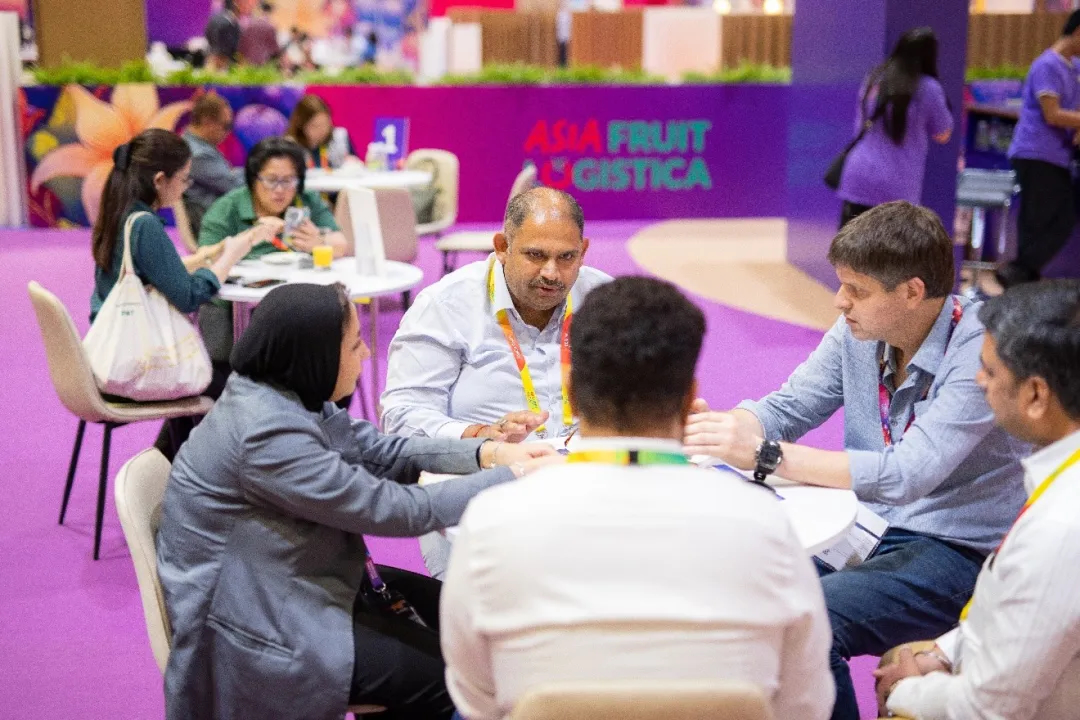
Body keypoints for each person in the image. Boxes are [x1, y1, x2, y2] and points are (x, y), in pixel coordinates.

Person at [683, 201, 1028, 720]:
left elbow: (908, 474)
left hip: (957, 547)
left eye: (857, 290)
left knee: (809, 623)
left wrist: (765, 454)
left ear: (912, 292)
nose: (840, 301)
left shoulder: (979, 346)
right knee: (735, 585)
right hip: (867, 523)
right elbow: (790, 406)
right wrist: (721, 428)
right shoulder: (859, 329)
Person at [157, 282, 559, 720]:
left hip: (294, 577)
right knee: (464, 682)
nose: (367, 353)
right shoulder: (265, 434)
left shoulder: (281, 393)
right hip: (263, 622)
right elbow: (395, 510)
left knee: (469, 613)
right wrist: (512, 476)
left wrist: (489, 452)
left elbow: (383, 451)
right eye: (354, 344)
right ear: (316, 356)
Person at [440, 276, 835, 720]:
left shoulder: (492, 522)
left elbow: (476, 699)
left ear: (570, 391)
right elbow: (806, 705)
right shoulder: (764, 524)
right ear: (689, 397)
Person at [876, 280, 1080, 720]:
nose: (978, 380)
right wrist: (944, 653)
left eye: (990, 371)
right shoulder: (1062, 473)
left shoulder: (1060, 529)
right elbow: (1025, 619)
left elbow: (987, 708)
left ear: (1036, 395)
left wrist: (908, 691)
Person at [381, 187, 610, 579]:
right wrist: (481, 436)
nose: (552, 273)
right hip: (479, 496)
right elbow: (401, 419)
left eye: (566, 257)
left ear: (583, 251)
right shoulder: (446, 305)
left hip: (585, 491)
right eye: (535, 255)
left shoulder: (603, 299)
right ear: (502, 247)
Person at [89, 129, 254, 458]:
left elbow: (147, 271)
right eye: (184, 179)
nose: (185, 188)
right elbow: (190, 296)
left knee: (213, 378)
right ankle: (182, 468)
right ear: (160, 180)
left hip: (108, 357)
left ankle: (168, 464)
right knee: (236, 384)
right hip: (138, 364)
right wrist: (230, 257)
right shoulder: (145, 224)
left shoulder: (119, 214)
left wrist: (205, 257)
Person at [197, 137, 349, 365]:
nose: (280, 190)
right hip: (235, 307)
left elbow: (340, 244)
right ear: (253, 178)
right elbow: (203, 260)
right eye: (271, 180)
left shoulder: (304, 201)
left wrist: (319, 241)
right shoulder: (228, 208)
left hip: (295, 303)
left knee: (334, 355)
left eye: (288, 180)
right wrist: (248, 239)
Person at [836, 27, 953, 228]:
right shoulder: (928, 88)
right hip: (897, 182)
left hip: (858, 174)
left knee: (852, 243)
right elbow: (943, 134)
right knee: (892, 244)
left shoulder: (875, 77)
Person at [998, 11, 1080, 289]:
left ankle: (1020, 277)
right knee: (1041, 221)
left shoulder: (1073, 67)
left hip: (1057, 155)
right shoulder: (1047, 65)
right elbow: (1052, 114)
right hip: (1036, 153)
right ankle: (1017, 275)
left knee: (1056, 220)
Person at [181, 92, 243, 236]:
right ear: (207, 122)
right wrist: (259, 173)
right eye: (226, 125)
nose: (228, 132)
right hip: (213, 227)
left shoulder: (194, 145)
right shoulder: (198, 155)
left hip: (216, 220)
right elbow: (233, 185)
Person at [285, 94, 358, 170]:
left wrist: (354, 164)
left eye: (325, 124)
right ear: (301, 125)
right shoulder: (290, 146)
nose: (322, 130)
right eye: (315, 126)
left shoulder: (340, 137)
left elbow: (356, 166)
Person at [204, 0, 241, 71]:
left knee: (210, 73)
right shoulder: (231, 23)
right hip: (223, 56)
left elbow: (207, 33)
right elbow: (232, 42)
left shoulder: (214, 18)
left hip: (212, 53)